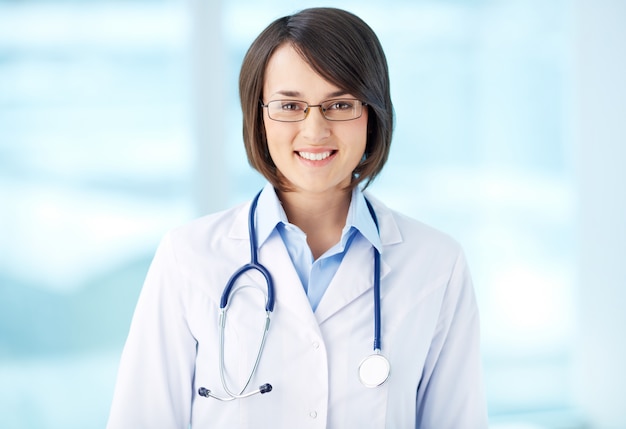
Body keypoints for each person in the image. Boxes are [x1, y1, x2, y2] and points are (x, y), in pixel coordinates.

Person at [106, 7, 488, 428]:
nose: (314, 131)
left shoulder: (435, 265)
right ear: (259, 115)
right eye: (290, 105)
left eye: (339, 104)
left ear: (373, 113)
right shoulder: (188, 257)